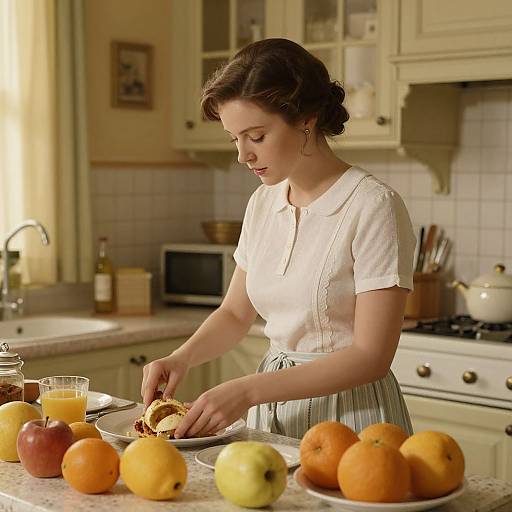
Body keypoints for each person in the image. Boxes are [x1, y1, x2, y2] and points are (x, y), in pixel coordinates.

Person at [141, 38, 416, 440]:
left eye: (255, 136)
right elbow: (236, 314)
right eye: (234, 138)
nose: (242, 156)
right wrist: (181, 358)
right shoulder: (263, 203)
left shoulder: (374, 206)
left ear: (306, 119)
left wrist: (248, 390)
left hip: (353, 420)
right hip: (272, 412)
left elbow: (370, 357)